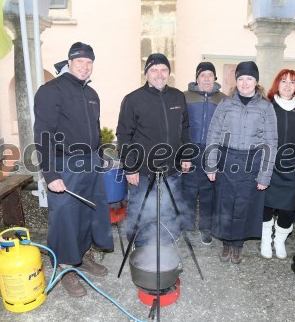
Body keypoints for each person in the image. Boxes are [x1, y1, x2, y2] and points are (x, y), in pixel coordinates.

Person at [33, 42, 113, 297]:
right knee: (65, 218)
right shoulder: (51, 91)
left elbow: (96, 131)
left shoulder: (91, 94)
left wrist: (100, 158)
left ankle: (82, 256)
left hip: (90, 163)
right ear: (69, 62)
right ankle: (65, 267)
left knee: (89, 212)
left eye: (89, 62)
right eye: (80, 61)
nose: (85, 66)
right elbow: (43, 134)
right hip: (65, 165)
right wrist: (51, 174)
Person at [205, 61, 278, 264]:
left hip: (252, 162)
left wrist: (265, 174)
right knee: (225, 204)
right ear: (235, 81)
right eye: (241, 79)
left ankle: (237, 245)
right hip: (226, 160)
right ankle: (226, 243)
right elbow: (213, 134)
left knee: (244, 206)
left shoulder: (265, 107)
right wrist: (210, 164)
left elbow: (271, 143)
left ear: (256, 81)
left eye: (249, 78)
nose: (245, 83)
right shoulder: (226, 104)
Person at [116, 53, 192, 248]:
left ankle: (167, 248)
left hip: (172, 170)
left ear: (169, 72)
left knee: (168, 209)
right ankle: (140, 248)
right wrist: (130, 167)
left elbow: (184, 128)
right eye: (154, 70)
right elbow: (124, 135)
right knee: (140, 211)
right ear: (147, 73)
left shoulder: (177, 96)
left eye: (164, 69)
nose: (159, 74)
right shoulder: (133, 99)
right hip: (142, 171)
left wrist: (186, 155)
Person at [261, 69, 295, 259]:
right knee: (265, 205)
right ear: (277, 84)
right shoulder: (267, 106)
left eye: (292, 82)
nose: (287, 85)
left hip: (292, 164)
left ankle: (280, 240)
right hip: (269, 163)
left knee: (287, 208)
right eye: (283, 81)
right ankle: (266, 239)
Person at [182, 62, 226, 245]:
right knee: (188, 189)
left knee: (208, 191)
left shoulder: (224, 99)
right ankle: (185, 225)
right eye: (202, 75)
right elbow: (180, 125)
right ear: (196, 78)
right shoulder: (184, 97)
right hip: (190, 148)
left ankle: (206, 228)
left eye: (210, 74)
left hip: (212, 150)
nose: (206, 78)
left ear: (215, 78)